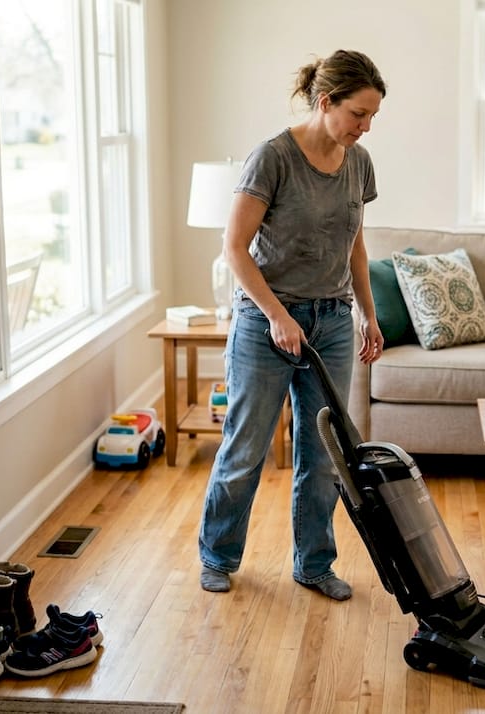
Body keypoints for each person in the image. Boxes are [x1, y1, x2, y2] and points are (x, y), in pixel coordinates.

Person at [197, 50, 386, 600]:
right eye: (358, 113)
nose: (365, 126)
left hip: (330, 322)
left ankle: (314, 564)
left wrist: (367, 312)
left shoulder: (359, 162)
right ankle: (218, 555)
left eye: (372, 116)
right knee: (246, 446)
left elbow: (354, 241)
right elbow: (234, 248)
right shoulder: (273, 158)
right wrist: (278, 316)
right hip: (266, 322)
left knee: (325, 452)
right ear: (325, 102)